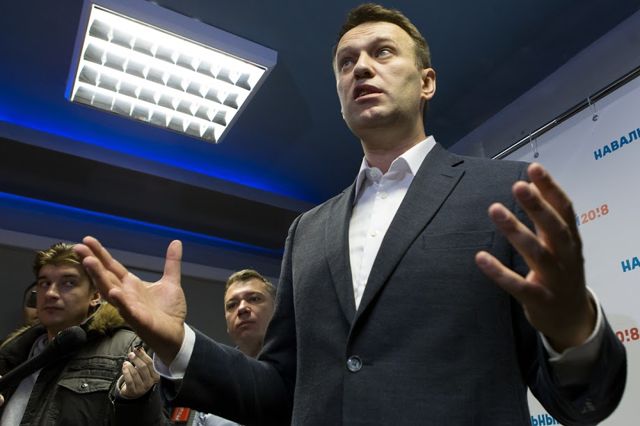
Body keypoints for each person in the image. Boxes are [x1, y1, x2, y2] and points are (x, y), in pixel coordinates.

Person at [74, 3, 626, 425]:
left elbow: (582, 401)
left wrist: (574, 330)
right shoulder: (307, 231)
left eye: (382, 53)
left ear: (426, 82)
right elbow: (279, 393)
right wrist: (177, 342)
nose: (361, 67)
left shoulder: (505, 191)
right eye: (346, 62)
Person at [0, 242, 153, 424]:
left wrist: (135, 403)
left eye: (68, 283)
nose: (50, 293)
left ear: (95, 296)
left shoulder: (128, 349)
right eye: (44, 283)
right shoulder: (13, 352)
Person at [114, 269, 276, 426]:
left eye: (254, 299)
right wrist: (139, 402)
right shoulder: (211, 382)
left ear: (277, 311)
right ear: (227, 324)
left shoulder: (290, 377)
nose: (241, 308)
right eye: (232, 305)